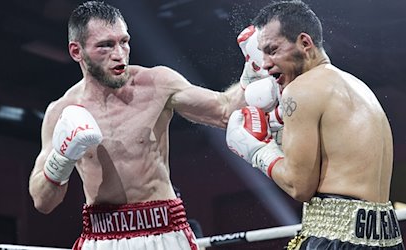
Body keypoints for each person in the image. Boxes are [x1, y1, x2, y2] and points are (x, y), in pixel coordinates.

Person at [28, 1, 249, 249]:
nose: (119, 54)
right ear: (76, 51)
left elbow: (224, 111)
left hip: (164, 230)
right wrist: (61, 158)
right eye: (106, 46)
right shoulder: (62, 112)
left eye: (124, 41)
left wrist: (253, 71)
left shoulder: (157, 83)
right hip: (102, 237)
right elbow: (42, 202)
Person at [225, 1, 405, 249]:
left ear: (305, 43)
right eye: (262, 53)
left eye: (273, 50)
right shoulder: (358, 86)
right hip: (387, 238)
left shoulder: (300, 91)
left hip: (337, 239)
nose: (265, 63)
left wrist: (257, 151)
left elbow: (299, 186)